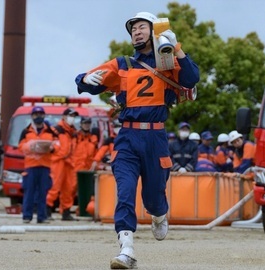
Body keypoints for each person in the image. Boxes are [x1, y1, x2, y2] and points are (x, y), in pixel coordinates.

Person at [75, 11, 199, 269]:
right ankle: (126, 250)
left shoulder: (167, 63)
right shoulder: (122, 64)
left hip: (156, 137)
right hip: (127, 137)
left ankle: (158, 215)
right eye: (133, 29)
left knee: (154, 198)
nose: (136, 32)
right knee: (125, 193)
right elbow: (87, 81)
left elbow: (191, 78)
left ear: (154, 32)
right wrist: (86, 81)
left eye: (142, 27)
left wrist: (176, 47)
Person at [18, 106, 57, 223]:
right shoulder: (26, 131)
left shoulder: (50, 130)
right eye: (36, 114)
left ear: (44, 116)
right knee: (29, 192)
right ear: (32, 116)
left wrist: (51, 148)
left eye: (40, 114)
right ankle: (27, 216)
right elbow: (20, 147)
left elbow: (58, 144)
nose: (38, 116)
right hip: (31, 166)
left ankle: (42, 217)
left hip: (45, 166)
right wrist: (31, 146)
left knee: (42, 192)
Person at [46, 108, 79, 221]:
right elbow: (52, 145)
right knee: (54, 186)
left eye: (74, 116)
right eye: (70, 116)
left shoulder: (73, 132)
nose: (72, 118)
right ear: (64, 117)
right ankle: (47, 210)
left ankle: (66, 212)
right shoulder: (56, 129)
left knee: (68, 188)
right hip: (58, 161)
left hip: (69, 163)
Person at [72, 116, 98, 195]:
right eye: (85, 123)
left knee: (87, 192)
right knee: (71, 191)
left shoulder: (93, 138)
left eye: (88, 123)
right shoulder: (75, 137)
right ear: (81, 124)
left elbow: (96, 154)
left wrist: (95, 163)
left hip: (88, 170)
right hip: (75, 169)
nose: (86, 125)